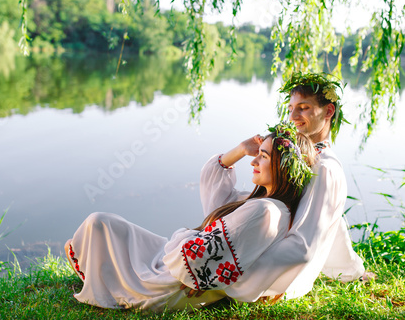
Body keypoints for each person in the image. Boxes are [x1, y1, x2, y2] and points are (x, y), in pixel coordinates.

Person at [64, 121, 316, 312]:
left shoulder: (264, 212)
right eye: (257, 154)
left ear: (283, 167)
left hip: (170, 283)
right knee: (103, 226)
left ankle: (100, 272)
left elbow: (194, 259)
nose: (254, 162)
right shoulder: (265, 205)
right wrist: (241, 149)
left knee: (98, 224)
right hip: (177, 268)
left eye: (263, 156)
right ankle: (97, 265)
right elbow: (215, 192)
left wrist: (184, 236)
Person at [198, 72, 369, 302]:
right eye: (290, 107)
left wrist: (222, 274)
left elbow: (304, 243)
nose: (293, 115)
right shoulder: (296, 157)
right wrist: (240, 150)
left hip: (270, 280)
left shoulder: (325, 169)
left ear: (328, 111)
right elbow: (332, 223)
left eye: (304, 107)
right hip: (252, 264)